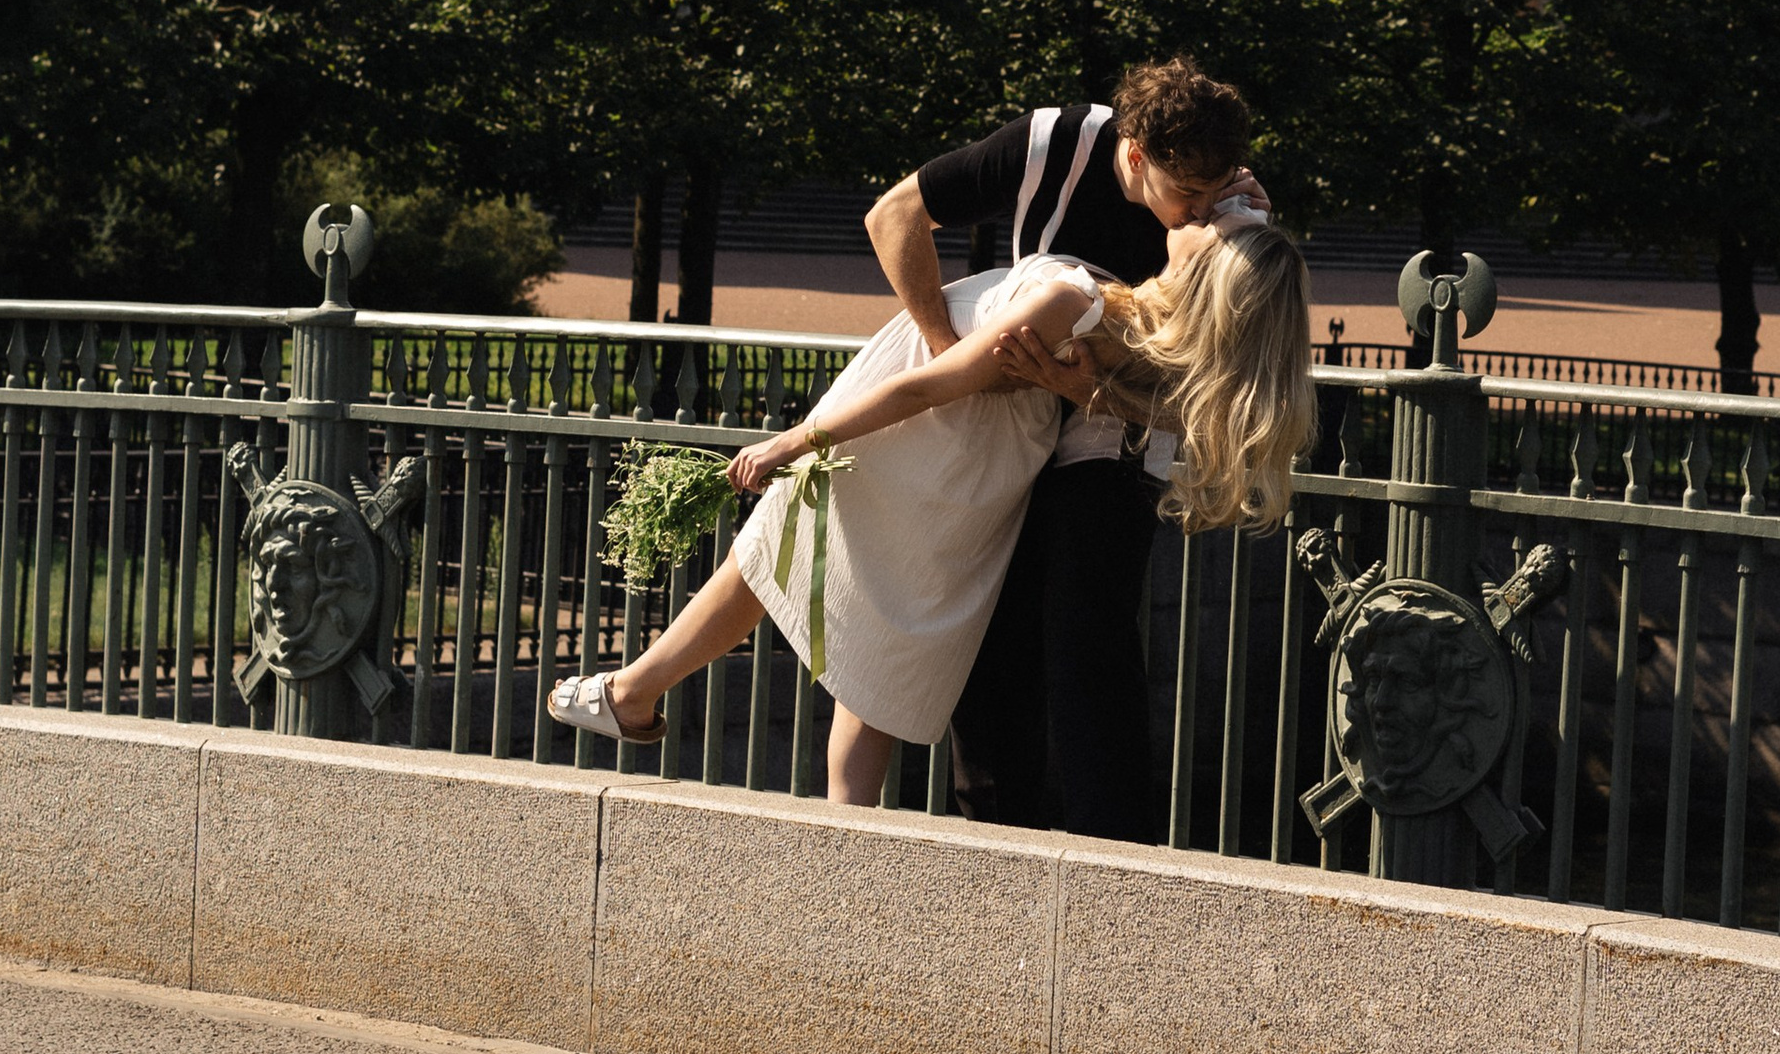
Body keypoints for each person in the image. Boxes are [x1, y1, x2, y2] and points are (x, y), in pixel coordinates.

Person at [548, 217, 1313, 807]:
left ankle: (638, 691)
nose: (1212, 209)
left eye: (1220, 223)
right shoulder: (1149, 346)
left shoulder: (1074, 300)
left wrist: (794, 437)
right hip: (981, 461)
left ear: (1204, 268)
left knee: (784, 544)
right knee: (887, 630)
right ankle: (838, 823)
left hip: (933, 435)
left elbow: (926, 389)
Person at [868, 60, 1265, 838]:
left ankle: (1113, 866)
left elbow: (1198, 391)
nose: (1196, 215)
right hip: (1012, 432)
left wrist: (1078, 388)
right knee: (991, 646)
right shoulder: (1055, 142)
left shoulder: (1229, 206)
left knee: (1089, 646)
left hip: (1119, 437)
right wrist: (952, 353)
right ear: (1136, 154)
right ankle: (991, 852)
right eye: (1186, 198)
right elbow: (894, 214)